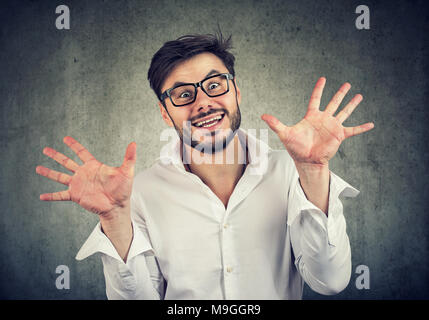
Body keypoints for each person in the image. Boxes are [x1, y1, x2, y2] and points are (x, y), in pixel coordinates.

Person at [36, 33, 374, 299]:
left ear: (236, 91)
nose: (203, 102)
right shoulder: (136, 194)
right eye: (183, 94)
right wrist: (113, 219)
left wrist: (314, 169)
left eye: (215, 85)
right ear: (165, 113)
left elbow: (330, 281)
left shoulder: (292, 173)